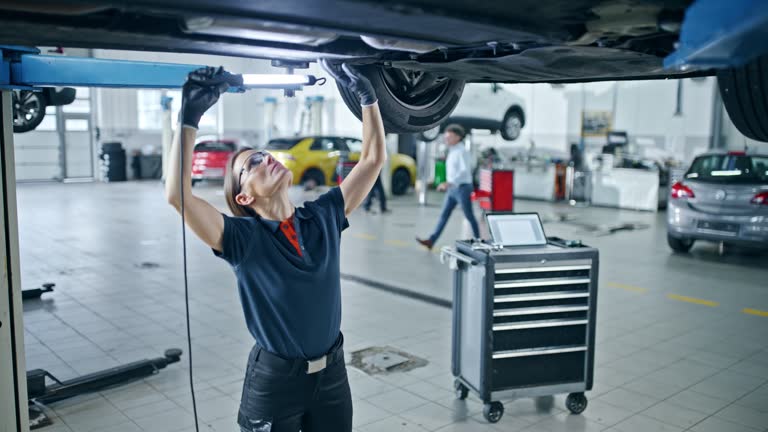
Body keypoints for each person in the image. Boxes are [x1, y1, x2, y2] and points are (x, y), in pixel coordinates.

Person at [165, 62, 386, 432]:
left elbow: (373, 159)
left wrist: (368, 98)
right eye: (252, 162)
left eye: (264, 153)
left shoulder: (322, 218)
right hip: (275, 383)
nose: (266, 157)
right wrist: (189, 119)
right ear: (243, 196)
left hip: (332, 375)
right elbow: (178, 196)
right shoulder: (241, 239)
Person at [416, 124, 480, 250]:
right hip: (453, 189)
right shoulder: (453, 150)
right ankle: (431, 240)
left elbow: (463, 171)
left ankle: (479, 242)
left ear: (457, 137)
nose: (446, 139)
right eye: (445, 137)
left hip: (462, 188)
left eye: (449, 137)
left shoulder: (462, 151)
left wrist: (448, 183)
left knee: (469, 216)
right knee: (444, 215)